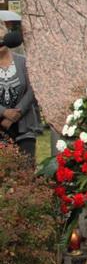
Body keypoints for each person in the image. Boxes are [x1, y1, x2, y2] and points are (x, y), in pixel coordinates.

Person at [0, 22, 40, 165]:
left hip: (25, 125)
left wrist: (16, 114)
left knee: (26, 168)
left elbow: (32, 89)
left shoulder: (23, 61)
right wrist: (4, 112)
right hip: (1, 127)